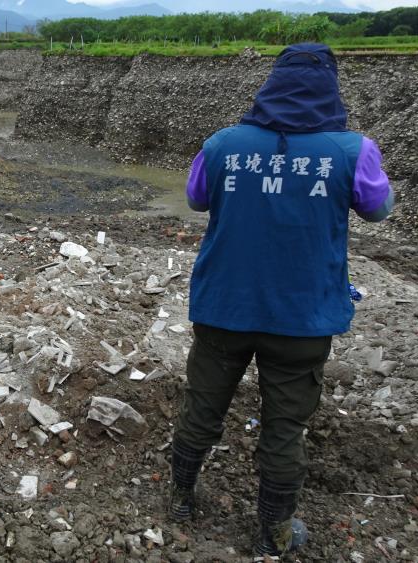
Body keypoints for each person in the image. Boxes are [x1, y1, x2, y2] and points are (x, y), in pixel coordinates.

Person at [168, 43, 394, 557]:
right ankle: (273, 529)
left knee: (204, 403)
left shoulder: (224, 144)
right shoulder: (353, 150)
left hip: (224, 305)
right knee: (285, 424)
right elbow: (378, 210)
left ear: (270, 85)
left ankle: (181, 497)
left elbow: (196, 198)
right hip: (304, 315)